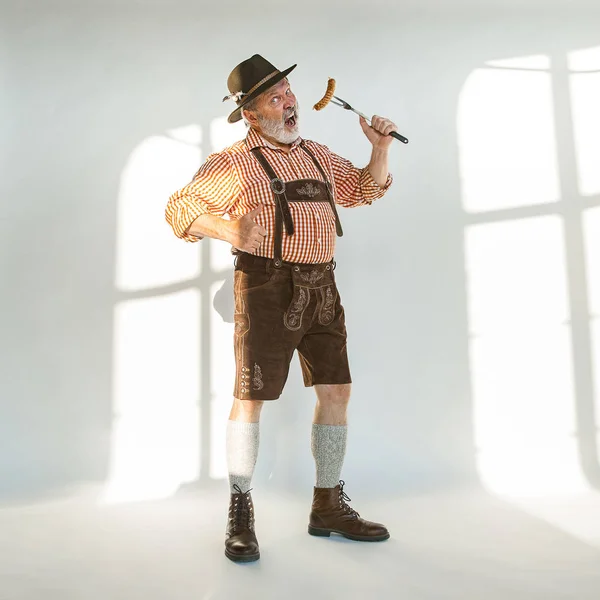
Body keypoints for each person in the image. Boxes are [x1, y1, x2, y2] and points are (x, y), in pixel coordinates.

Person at [165, 54, 397, 563]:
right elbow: (179, 207)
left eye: (289, 90)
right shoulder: (234, 162)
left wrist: (379, 151)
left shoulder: (316, 154)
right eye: (275, 97)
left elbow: (364, 190)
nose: (290, 101)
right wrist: (227, 229)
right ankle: (240, 509)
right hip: (266, 288)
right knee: (251, 398)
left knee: (337, 390)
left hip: (322, 288)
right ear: (250, 113)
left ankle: (328, 505)